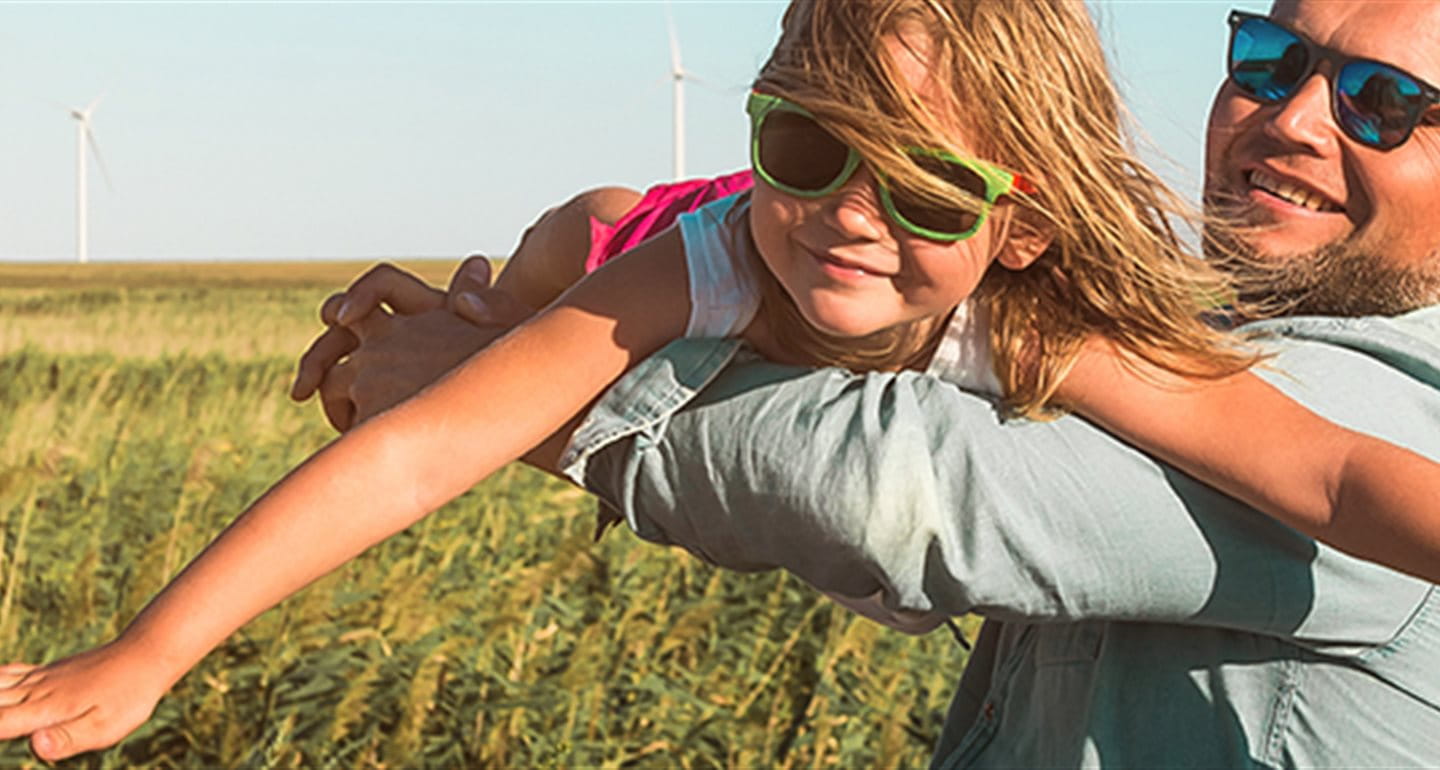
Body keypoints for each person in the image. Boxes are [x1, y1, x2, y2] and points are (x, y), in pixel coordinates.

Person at [293, 0, 1440, 766]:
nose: (1290, 119)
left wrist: (502, 394)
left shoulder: (1389, 413)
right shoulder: (1158, 336)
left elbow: (902, 486)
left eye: (1384, 103)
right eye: (1269, 60)